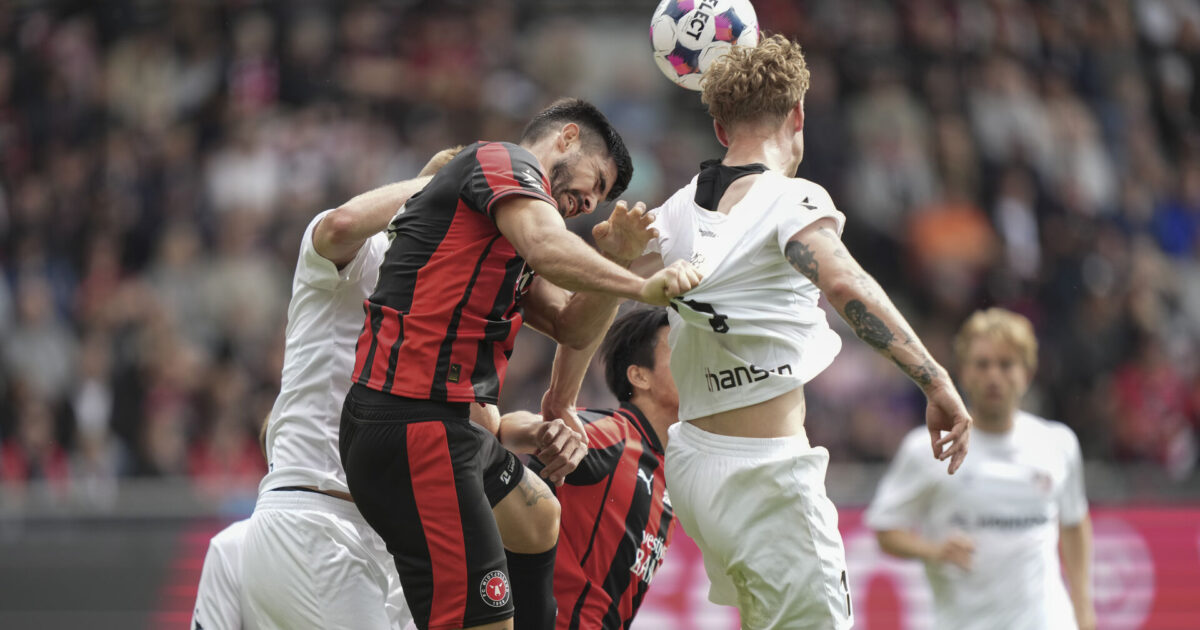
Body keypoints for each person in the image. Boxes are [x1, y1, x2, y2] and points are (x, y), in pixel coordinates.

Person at [628, 36, 973, 629]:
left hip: (693, 469)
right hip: (767, 480)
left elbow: (592, 294)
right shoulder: (793, 197)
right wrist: (935, 378)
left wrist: (559, 396)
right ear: (799, 115)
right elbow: (844, 285)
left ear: (718, 128)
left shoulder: (672, 213)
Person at [340, 98, 701, 630]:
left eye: (599, 199)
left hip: (453, 434)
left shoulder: (500, 238)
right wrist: (640, 285)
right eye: (595, 182)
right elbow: (547, 243)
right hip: (412, 423)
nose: (588, 203)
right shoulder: (501, 160)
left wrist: (620, 257)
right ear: (567, 138)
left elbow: (571, 324)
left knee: (538, 516)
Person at [865, 308, 1095, 630]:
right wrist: (932, 550)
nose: (993, 377)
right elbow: (885, 529)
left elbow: (1074, 522)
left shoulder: (1058, 443)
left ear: (1027, 373)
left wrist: (1083, 609)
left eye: (1006, 364)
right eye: (982, 364)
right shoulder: (928, 449)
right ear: (963, 372)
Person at [496, 308, 678, 630]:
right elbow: (507, 428)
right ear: (639, 376)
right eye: (678, 348)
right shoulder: (615, 436)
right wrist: (542, 432)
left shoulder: (672, 475)